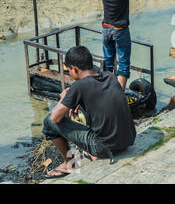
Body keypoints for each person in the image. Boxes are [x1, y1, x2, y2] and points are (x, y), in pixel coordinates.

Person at [42, 46, 136, 178]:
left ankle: (70, 164)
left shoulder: (79, 86)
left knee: (48, 122)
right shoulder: (109, 76)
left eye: (69, 70)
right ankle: (92, 149)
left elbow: (55, 118)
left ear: (74, 69)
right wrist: (76, 100)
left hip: (105, 148)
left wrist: (64, 98)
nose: (70, 73)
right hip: (128, 140)